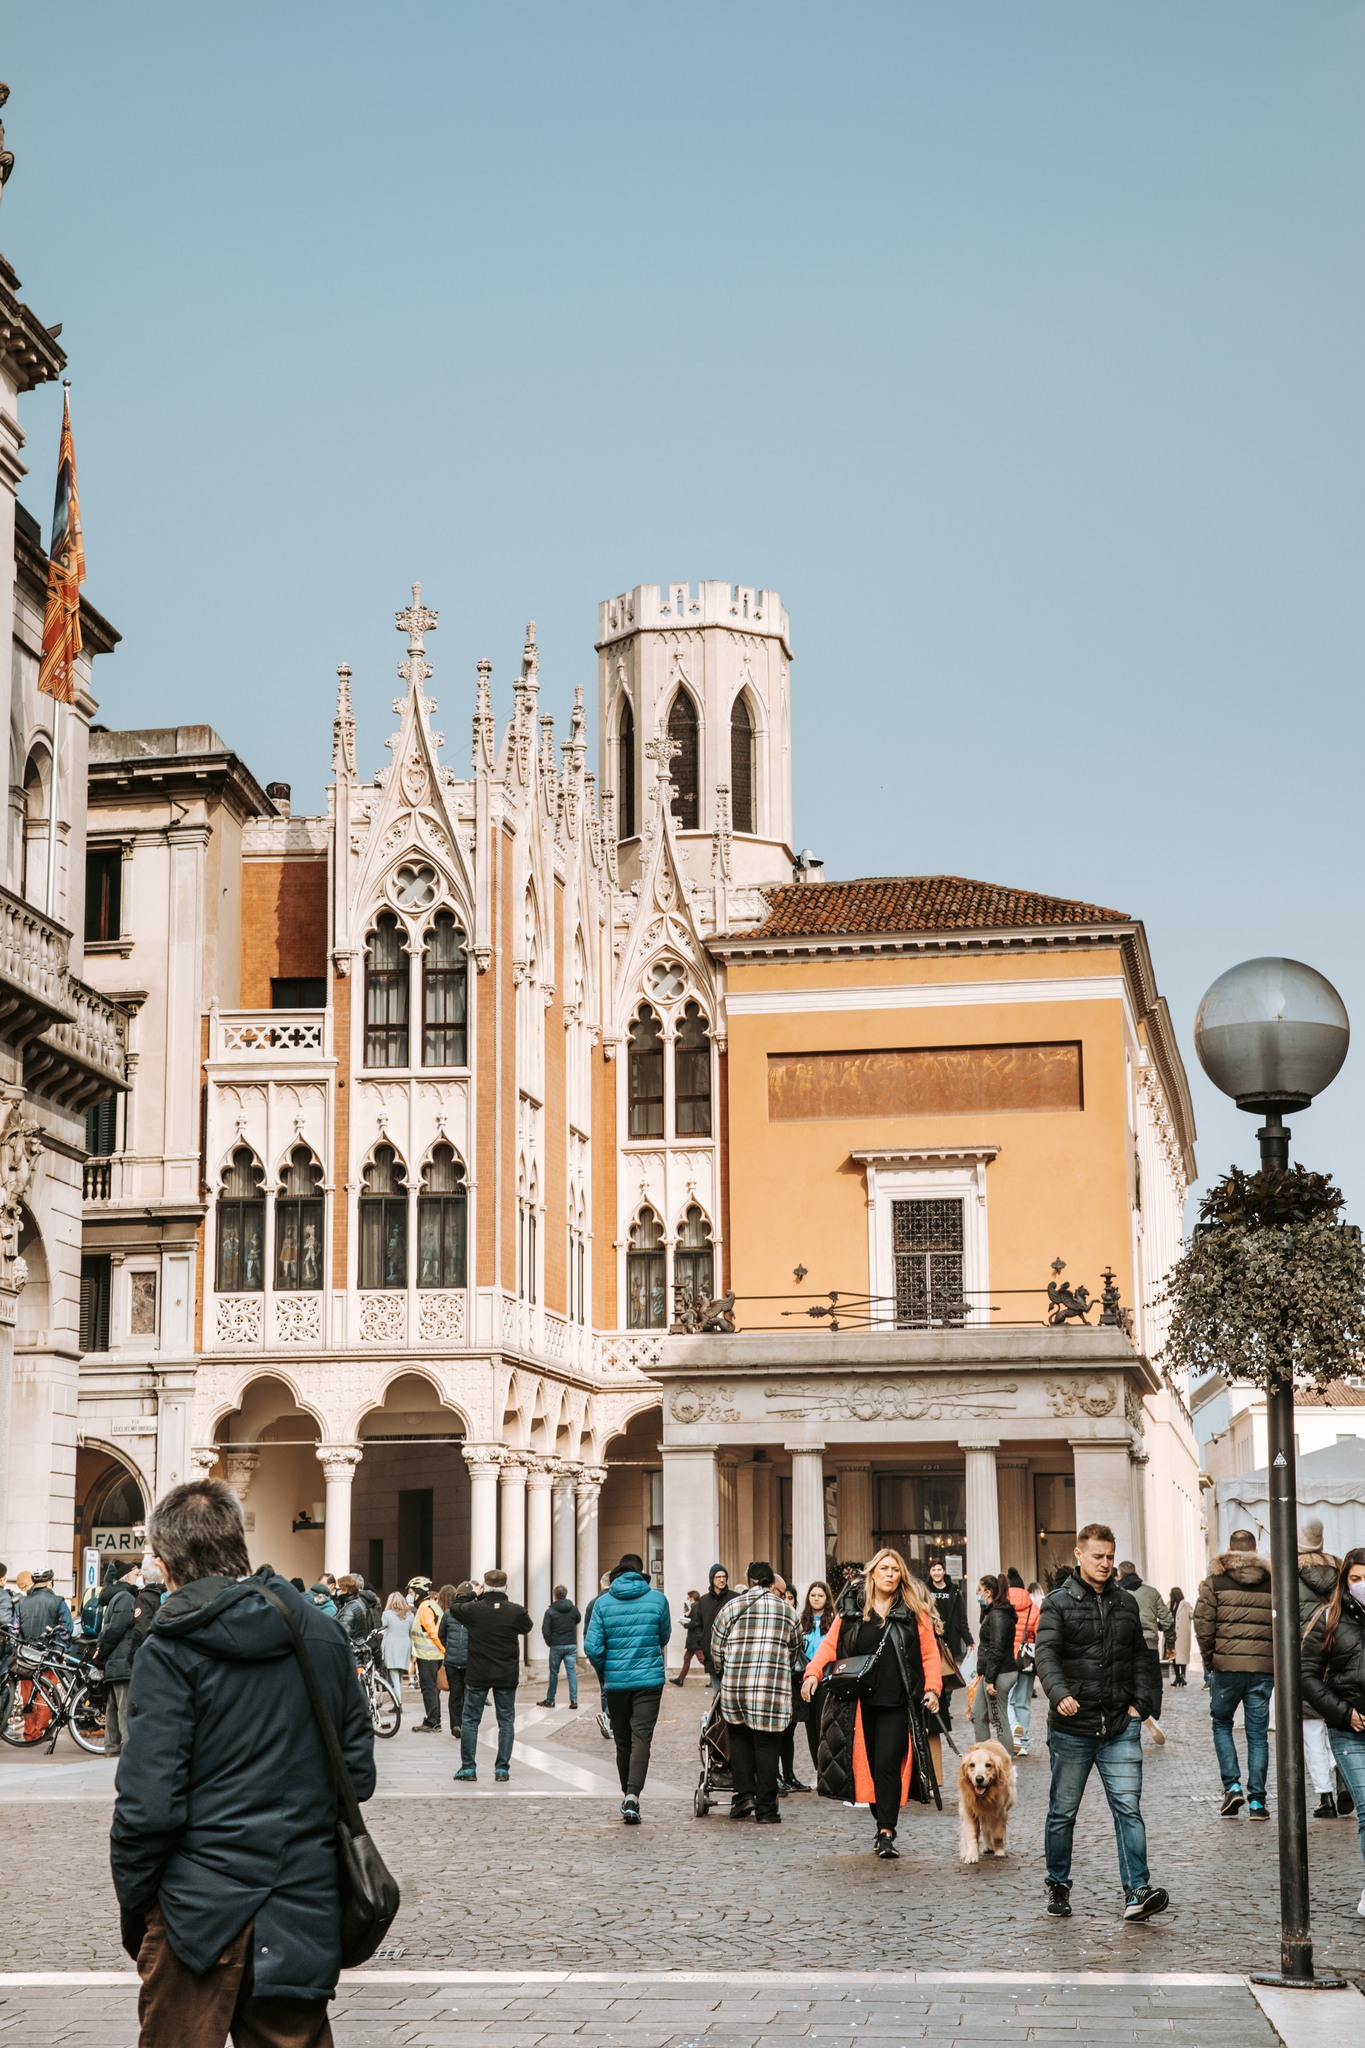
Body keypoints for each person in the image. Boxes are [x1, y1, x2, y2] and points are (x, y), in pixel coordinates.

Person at [109, 1476, 375, 2048]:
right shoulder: (321, 1635)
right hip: (300, 1906)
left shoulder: (172, 1648)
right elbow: (358, 1775)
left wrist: (139, 1903)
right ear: (236, 1543)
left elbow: (148, 1804)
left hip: (196, 1912)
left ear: (166, 1560)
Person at [1034, 1521, 1166, 1922]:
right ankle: (1058, 1883)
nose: (1106, 1563)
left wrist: (1140, 1706)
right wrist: (1060, 1694)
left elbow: (1142, 1659)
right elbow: (1046, 1656)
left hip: (1119, 1726)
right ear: (1079, 1554)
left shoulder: (1127, 1602)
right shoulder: (1057, 1603)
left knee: (1129, 1809)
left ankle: (1137, 1890)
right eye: (1098, 1556)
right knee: (1063, 1812)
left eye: (1110, 1556)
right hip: (1072, 1729)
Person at [802, 1548, 941, 1860]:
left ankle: (886, 1831)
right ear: (873, 1574)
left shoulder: (912, 1610)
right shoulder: (853, 1608)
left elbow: (930, 1653)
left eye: (894, 1570)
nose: (889, 1574)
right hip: (858, 1702)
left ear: (900, 1575)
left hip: (896, 1701)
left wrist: (932, 1688)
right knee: (871, 1769)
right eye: (884, 1569)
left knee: (887, 1763)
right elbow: (829, 1645)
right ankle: (882, 1822)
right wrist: (812, 1673)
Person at [710, 1562, 801, 1824]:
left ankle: (743, 1796)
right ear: (771, 1581)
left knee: (739, 1741)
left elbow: (717, 1647)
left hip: (736, 1687)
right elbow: (795, 1649)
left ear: (749, 1580)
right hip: (771, 1689)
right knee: (767, 1745)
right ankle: (766, 1809)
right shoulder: (787, 1611)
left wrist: (723, 1669)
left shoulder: (732, 1606)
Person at [584, 1553, 672, 1824]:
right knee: (642, 1737)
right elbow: (664, 1636)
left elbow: (592, 1647)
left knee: (622, 1741)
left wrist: (605, 1671)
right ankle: (633, 1796)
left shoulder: (603, 1603)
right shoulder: (658, 1599)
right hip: (649, 1681)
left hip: (617, 1683)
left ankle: (627, 1794)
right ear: (641, 1574)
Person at [1193, 1528, 1274, 1819]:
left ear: (1229, 1550)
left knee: (1222, 1724)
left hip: (1226, 1669)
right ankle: (1257, 1802)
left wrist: (1209, 1661)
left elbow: (1203, 1624)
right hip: (1263, 1670)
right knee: (1257, 1735)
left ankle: (1233, 1786)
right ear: (1255, 1550)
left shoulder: (1214, 1581)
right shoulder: (1272, 1582)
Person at [1303, 1547, 1365, 1912]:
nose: (1362, 1586)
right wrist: (1344, 1713)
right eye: (1355, 1579)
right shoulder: (1329, 1618)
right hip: (1350, 1731)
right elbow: (1307, 1677)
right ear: (1343, 1582)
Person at [453, 1569, 532, 1783]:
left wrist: (472, 1594)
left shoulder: (474, 1609)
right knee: (506, 1721)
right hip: (506, 1673)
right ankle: (502, 1769)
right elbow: (528, 1626)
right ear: (505, 1587)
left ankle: (468, 1768)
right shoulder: (515, 1611)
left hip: (478, 1672)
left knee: (470, 1720)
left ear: (484, 1587)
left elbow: (455, 1607)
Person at [1297, 1522, 1342, 1819]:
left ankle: (1326, 1796)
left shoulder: (1289, 1573)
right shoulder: (1340, 1570)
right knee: (1338, 1725)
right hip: (1338, 1656)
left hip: (1304, 1658)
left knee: (1312, 1730)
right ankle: (1344, 1781)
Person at [1115, 1563, 1172, 1746]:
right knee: (1154, 1681)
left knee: (1127, 1680)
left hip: (1125, 1644)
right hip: (1149, 1643)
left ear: (1120, 1574)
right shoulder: (1151, 1592)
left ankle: (1130, 1715)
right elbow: (1167, 1619)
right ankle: (1153, 1714)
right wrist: (1160, 1629)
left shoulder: (1116, 1592)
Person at [95, 1561, 142, 1759]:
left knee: (113, 1706)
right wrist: (132, 1619)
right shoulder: (125, 1598)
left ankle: (111, 1746)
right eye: (135, 1574)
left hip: (114, 1660)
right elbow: (116, 1629)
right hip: (121, 1659)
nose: (138, 1577)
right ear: (127, 1578)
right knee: (123, 1706)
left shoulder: (116, 1597)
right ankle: (125, 1747)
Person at [973, 1575, 1019, 1753]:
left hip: (1000, 1673)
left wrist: (990, 1679)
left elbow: (997, 1648)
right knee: (978, 1714)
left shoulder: (999, 1615)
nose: (977, 1593)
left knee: (998, 1719)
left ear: (988, 1592)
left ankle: (1005, 1763)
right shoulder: (993, 1612)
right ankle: (983, 1757)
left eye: (979, 1590)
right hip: (992, 1672)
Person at [925, 1559, 972, 1731]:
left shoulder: (954, 1591)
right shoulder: (925, 1590)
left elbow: (961, 1617)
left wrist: (968, 1640)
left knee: (948, 1671)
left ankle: (946, 1703)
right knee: (933, 1671)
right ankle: (938, 1702)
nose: (936, 1572)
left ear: (944, 1571)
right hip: (931, 1637)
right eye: (933, 1570)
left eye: (939, 1569)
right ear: (930, 1572)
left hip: (949, 1638)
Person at [799, 1582, 837, 1776]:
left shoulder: (833, 1621)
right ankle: (817, 1768)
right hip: (805, 1677)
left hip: (826, 1679)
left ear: (826, 1598)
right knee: (810, 1725)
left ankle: (827, 1768)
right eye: (812, 1595)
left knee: (823, 1725)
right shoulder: (802, 1620)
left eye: (820, 1595)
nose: (816, 1599)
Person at [408, 1576, 445, 1733]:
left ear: (418, 1592)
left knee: (428, 1688)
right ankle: (434, 1720)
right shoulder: (433, 1605)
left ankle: (432, 1721)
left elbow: (433, 1632)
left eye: (411, 1593)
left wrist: (444, 1651)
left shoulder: (424, 1608)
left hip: (428, 1655)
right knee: (433, 1689)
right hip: (432, 1655)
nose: (410, 1596)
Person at [689, 1565, 735, 1689]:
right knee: (716, 1692)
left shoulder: (734, 1598)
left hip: (731, 1653)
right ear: (712, 1579)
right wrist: (702, 1643)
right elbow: (698, 1624)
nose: (722, 1580)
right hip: (710, 1654)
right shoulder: (703, 1601)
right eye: (718, 1577)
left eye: (724, 1577)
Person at [437, 1582, 473, 1736]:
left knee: (455, 1694)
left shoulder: (448, 1613)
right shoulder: (474, 1613)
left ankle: (455, 1725)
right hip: (467, 1661)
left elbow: (441, 1634)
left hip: (452, 1660)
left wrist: (449, 1649)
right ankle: (461, 1724)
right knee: (465, 1694)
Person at [538, 1583, 582, 1708]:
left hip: (556, 1645)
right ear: (566, 1594)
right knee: (571, 1673)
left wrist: (550, 1642)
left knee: (553, 1673)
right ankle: (574, 1700)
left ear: (555, 1595)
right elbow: (578, 1619)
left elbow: (545, 1629)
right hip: (570, 1644)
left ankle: (550, 1700)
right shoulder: (573, 1608)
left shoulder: (550, 1611)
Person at [18, 1568, 73, 1641]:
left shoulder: (22, 1602)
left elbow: (14, 1630)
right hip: (50, 1650)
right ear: (50, 1583)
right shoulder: (58, 1601)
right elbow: (66, 1629)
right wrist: (58, 1648)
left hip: (27, 1650)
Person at [669, 1590, 707, 1686]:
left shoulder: (695, 1607)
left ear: (692, 1597)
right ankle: (680, 1679)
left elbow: (695, 1623)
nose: (688, 1600)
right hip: (694, 1638)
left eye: (688, 1598)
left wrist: (684, 1623)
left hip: (695, 1638)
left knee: (702, 1659)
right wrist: (686, 1615)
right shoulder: (697, 1606)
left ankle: (716, 1675)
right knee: (687, 1658)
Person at [381, 1591, 412, 1700]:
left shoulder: (386, 1614)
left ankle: (398, 1703)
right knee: (399, 1676)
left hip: (391, 1646)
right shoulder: (410, 1615)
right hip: (405, 1646)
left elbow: (384, 1632)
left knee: (394, 1676)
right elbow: (411, 1632)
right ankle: (398, 1701)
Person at [334, 1574, 371, 1646]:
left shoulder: (350, 1607)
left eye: (340, 1589)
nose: (338, 1592)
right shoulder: (358, 1602)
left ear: (348, 1591)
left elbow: (342, 1634)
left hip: (348, 1649)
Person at [1167, 1587, 1192, 1687]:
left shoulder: (1185, 1605)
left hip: (1182, 1634)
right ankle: (1177, 1676)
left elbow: (1192, 1614)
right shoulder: (1169, 1604)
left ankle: (1183, 1676)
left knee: (1182, 1657)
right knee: (1174, 1656)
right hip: (1171, 1634)